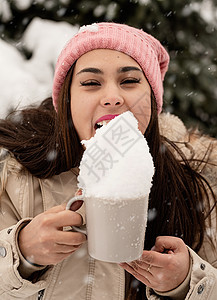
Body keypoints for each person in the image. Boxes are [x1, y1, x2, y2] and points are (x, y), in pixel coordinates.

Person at [0, 22, 216, 300]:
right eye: (91, 83)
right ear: (67, 101)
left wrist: (189, 282)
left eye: (129, 81)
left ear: (151, 100)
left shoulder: (196, 185)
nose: (113, 98)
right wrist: (20, 252)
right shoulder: (13, 175)